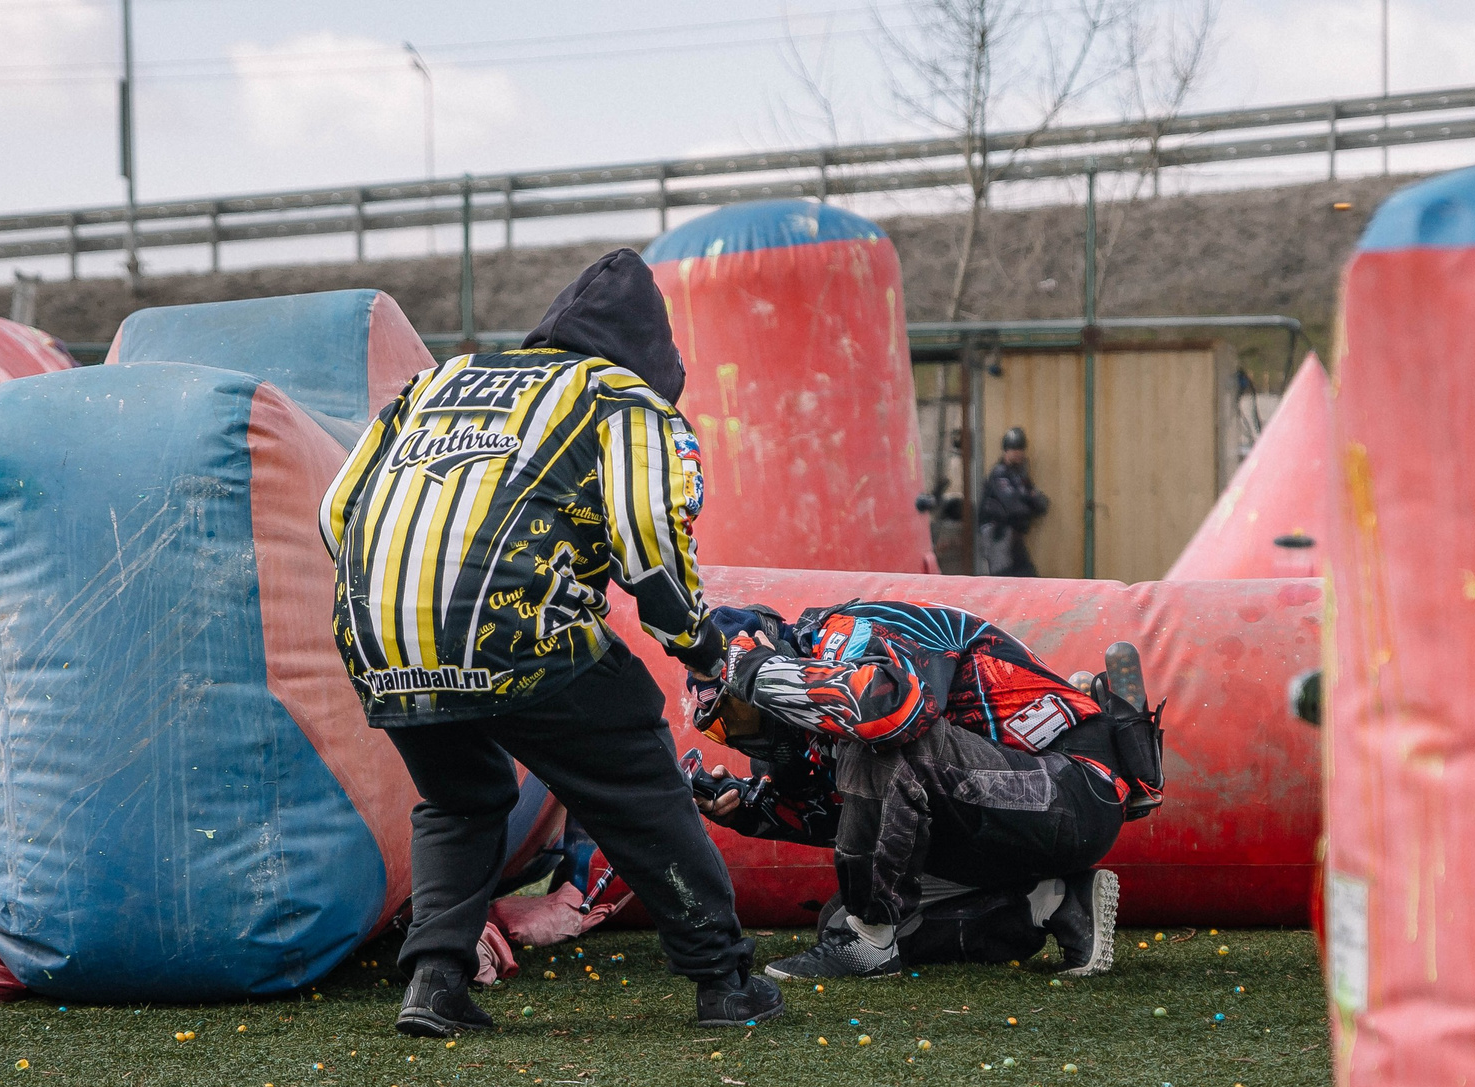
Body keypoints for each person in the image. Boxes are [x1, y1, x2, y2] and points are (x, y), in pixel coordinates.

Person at [319, 249, 784, 1036]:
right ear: (653, 355)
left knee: (461, 796)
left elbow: (337, 511)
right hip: (515, 622)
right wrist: (702, 648)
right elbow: (646, 537)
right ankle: (723, 978)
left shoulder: (436, 383)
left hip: (376, 632)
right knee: (635, 774)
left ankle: (435, 980)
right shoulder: (621, 396)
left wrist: (405, 606)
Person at [684, 600, 1165, 981]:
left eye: (740, 712)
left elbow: (893, 714)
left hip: (1072, 788)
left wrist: (756, 673)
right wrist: (746, 808)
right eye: (726, 727)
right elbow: (852, 817)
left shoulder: (856, 629)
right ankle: (1051, 902)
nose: (747, 734)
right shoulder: (814, 716)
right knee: (840, 920)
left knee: (875, 741)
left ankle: (872, 940)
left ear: (771, 653)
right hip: (1001, 825)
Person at [978, 427, 1048, 577]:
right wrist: (1028, 499)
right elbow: (1014, 506)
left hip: (1013, 535)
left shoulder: (1019, 475)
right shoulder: (1000, 474)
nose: (1017, 453)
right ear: (1005, 451)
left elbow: (1042, 504)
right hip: (998, 534)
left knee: (1027, 577)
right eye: (1013, 448)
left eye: (1020, 448)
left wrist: (1027, 499)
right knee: (1002, 578)